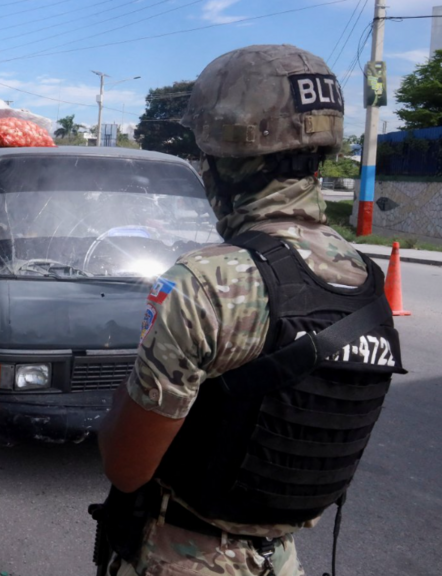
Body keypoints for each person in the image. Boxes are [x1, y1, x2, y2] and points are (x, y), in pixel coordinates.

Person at [97, 45, 405, 576]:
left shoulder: (207, 283)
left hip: (181, 557)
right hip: (280, 560)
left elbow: (126, 468)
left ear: (224, 162)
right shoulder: (365, 279)